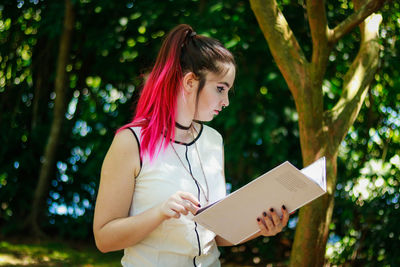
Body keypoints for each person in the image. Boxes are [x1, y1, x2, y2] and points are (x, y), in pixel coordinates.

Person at [93, 24, 289, 267]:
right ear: (190, 82)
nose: (226, 101)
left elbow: (216, 233)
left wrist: (262, 228)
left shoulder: (214, 141)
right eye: (220, 89)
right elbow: (104, 238)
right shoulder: (130, 142)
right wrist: (160, 212)